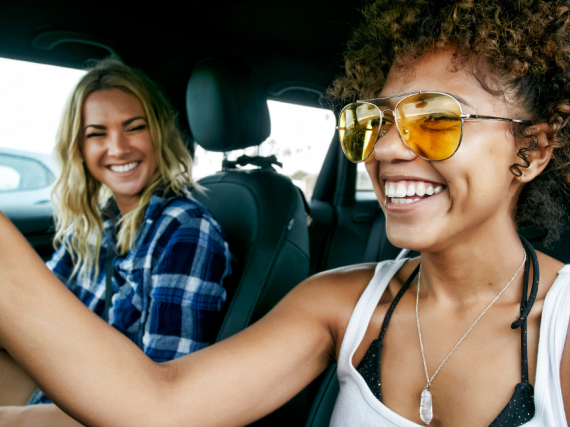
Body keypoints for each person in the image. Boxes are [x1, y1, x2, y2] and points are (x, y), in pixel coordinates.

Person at [1, 0, 570, 425]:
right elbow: (162, 406)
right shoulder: (337, 303)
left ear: (533, 150)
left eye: (436, 119)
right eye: (373, 121)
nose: (387, 149)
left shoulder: (561, 329)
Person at [0, 59, 231, 425]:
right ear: (78, 146)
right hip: (68, 381)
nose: (118, 147)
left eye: (134, 127)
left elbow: (165, 391)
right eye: (97, 133)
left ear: (158, 133)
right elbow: (34, 310)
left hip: (123, 409)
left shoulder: (186, 229)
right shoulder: (95, 223)